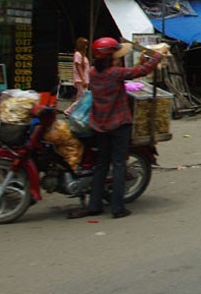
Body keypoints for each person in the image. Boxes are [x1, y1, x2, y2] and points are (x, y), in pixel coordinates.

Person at [68, 37, 163, 220]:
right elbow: (141, 71)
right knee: (119, 164)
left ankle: (94, 205)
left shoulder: (94, 72)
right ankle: (118, 208)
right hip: (118, 124)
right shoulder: (115, 73)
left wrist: (141, 62)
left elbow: (134, 70)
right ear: (110, 57)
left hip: (100, 125)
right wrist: (156, 57)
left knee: (101, 164)